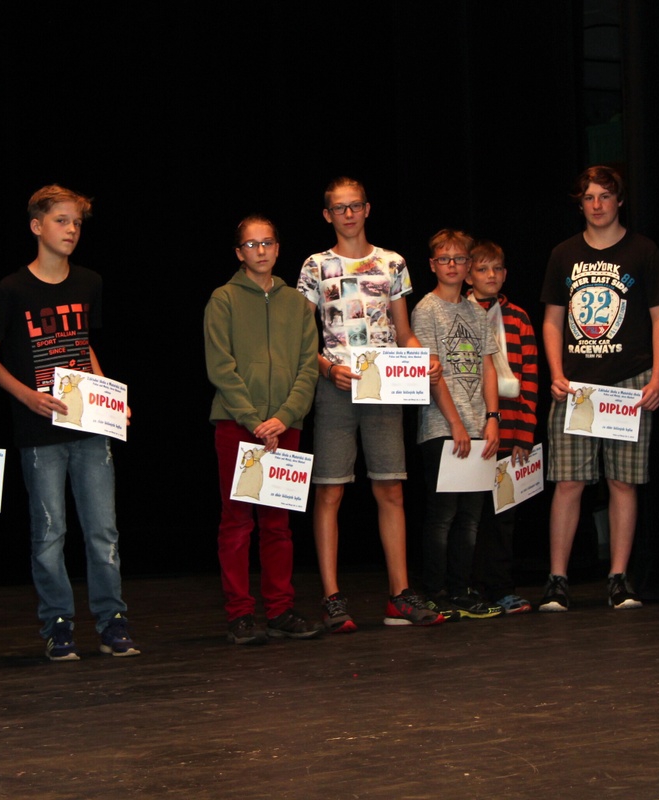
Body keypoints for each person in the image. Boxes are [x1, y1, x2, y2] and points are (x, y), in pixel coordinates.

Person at [0, 184, 139, 659]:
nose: (71, 229)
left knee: (102, 529)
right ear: (37, 226)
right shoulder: (12, 289)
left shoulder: (88, 282)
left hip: (88, 424)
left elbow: (83, 344)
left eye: (76, 222)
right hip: (39, 430)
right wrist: (26, 396)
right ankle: (57, 624)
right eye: (61, 220)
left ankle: (112, 620)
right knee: (49, 532)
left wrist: (111, 398)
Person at [296, 177, 444, 630]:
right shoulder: (315, 266)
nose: (348, 214)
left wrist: (423, 358)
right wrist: (327, 369)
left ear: (367, 209)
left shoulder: (392, 262)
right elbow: (301, 340)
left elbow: (404, 333)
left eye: (355, 205)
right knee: (330, 490)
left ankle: (399, 594)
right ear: (327, 215)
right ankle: (331, 597)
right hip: (335, 386)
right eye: (339, 208)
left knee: (391, 488)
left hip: (384, 385)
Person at [539, 165, 659, 612]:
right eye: (589, 197)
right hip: (576, 384)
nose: (597, 205)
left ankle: (618, 578)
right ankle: (558, 579)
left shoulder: (642, 250)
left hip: (629, 382)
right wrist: (556, 372)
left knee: (623, 481)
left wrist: (658, 376)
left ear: (619, 201)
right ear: (580, 204)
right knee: (569, 481)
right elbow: (553, 319)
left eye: (605, 196)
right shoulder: (564, 253)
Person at [204, 215, 322, 645]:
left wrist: (285, 417)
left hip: (285, 426)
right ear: (240, 253)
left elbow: (308, 366)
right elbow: (221, 367)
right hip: (238, 424)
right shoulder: (223, 299)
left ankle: (279, 609)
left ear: (277, 248)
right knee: (237, 522)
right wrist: (254, 419)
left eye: (267, 243)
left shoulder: (296, 303)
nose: (260, 251)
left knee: (278, 523)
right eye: (251, 245)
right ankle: (240, 613)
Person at [412, 229, 501, 619]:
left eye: (460, 259)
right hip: (442, 429)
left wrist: (492, 419)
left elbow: (488, 367)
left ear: (468, 267)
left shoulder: (477, 312)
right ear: (433, 265)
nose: (452, 265)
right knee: (443, 516)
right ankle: (435, 591)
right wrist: (455, 424)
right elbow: (431, 372)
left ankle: (462, 590)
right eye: (444, 259)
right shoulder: (426, 310)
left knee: (470, 518)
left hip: (479, 429)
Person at [465, 240, 539, 614]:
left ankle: (501, 588)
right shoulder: (458, 312)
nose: (490, 275)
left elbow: (530, 378)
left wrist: (524, 433)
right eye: (482, 269)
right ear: (468, 274)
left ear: (505, 274)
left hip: (509, 432)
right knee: (468, 517)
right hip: (469, 432)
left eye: (496, 268)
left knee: (502, 517)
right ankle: (467, 589)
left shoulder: (519, 318)